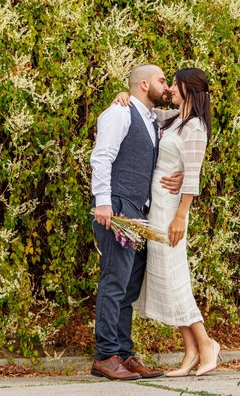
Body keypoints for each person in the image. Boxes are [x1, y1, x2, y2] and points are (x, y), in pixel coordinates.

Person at [114, 67, 221, 377]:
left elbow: (193, 176)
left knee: (176, 282)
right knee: (170, 278)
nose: (170, 88)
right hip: (155, 209)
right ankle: (190, 353)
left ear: (188, 88)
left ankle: (207, 345)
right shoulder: (173, 119)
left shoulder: (196, 128)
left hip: (171, 213)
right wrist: (124, 95)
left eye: (174, 84)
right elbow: (143, 113)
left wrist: (180, 217)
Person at [90, 64, 184, 381]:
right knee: (115, 281)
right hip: (116, 206)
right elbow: (101, 156)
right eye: (162, 81)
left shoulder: (151, 118)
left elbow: (188, 124)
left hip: (138, 211)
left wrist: (185, 171)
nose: (166, 87)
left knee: (129, 287)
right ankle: (105, 356)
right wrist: (103, 202)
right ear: (143, 84)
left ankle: (124, 354)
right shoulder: (118, 113)